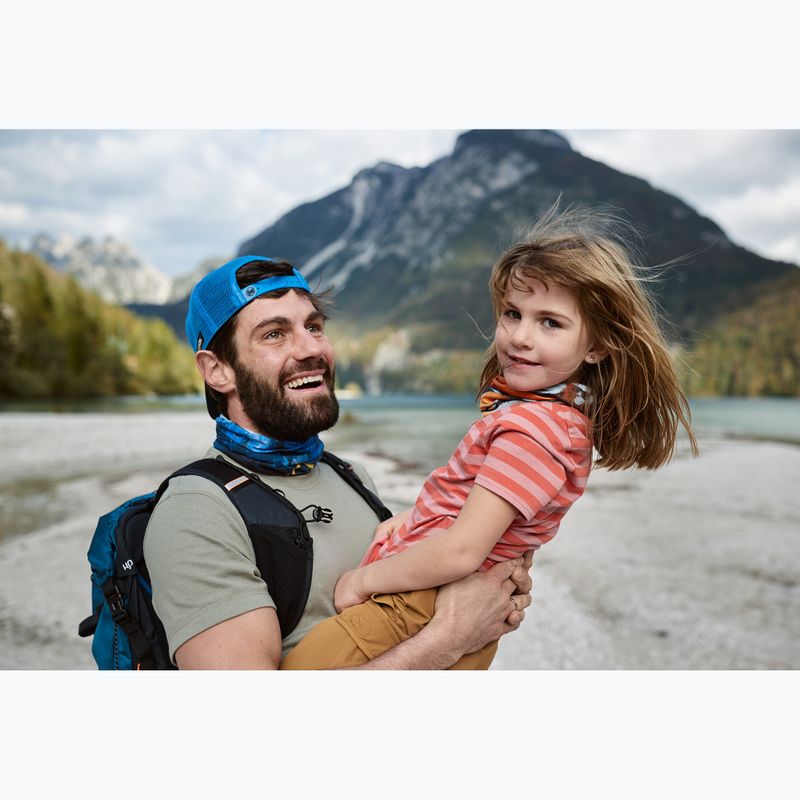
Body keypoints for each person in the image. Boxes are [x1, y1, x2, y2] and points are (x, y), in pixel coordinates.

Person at [280, 207, 699, 670]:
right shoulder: (553, 420)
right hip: (432, 600)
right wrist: (416, 519)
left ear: (597, 345)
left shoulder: (533, 431)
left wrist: (363, 582)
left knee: (297, 674)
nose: (520, 337)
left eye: (550, 322)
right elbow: (482, 517)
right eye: (512, 314)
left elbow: (463, 550)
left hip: (416, 606)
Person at [142, 255, 532, 669]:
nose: (312, 349)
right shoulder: (196, 511)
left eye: (313, 326)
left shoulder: (349, 476)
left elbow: (388, 618)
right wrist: (450, 638)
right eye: (274, 334)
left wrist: (485, 583)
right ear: (217, 370)